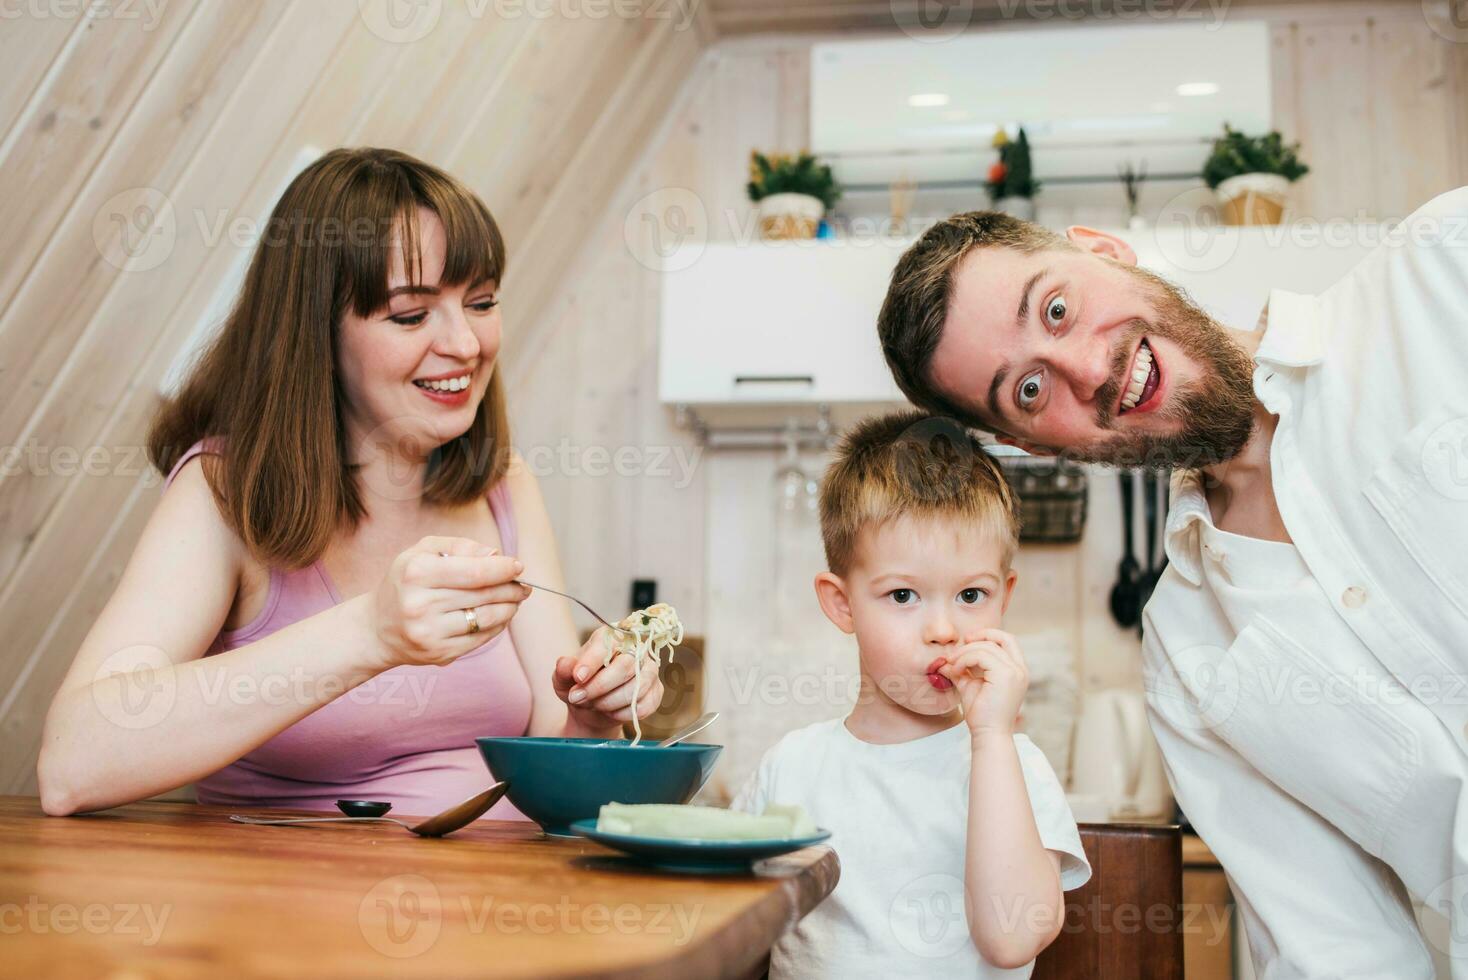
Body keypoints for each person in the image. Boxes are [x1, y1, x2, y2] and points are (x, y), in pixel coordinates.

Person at [876, 188, 1468, 976]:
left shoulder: (1440, 269)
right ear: (1037, 448)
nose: (1090, 369)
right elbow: (1335, 949)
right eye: (1028, 391)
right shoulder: (1188, 654)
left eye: (1055, 309)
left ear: (1105, 249)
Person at [37, 148, 662, 818]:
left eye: (480, 302)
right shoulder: (222, 492)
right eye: (410, 315)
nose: (467, 343)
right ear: (316, 335)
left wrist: (593, 720)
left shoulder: (504, 486)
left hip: (493, 902)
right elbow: (73, 765)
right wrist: (370, 633)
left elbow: (551, 754)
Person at [733, 411, 1090, 978]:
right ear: (842, 603)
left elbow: (1012, 938)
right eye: (903, 596)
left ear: (1005, 596)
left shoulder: (1014, 767)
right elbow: (726, 935)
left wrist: (993, 737)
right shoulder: (791, 769)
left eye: (972, 594)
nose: (944, 629)